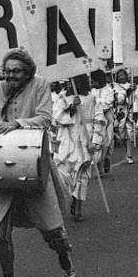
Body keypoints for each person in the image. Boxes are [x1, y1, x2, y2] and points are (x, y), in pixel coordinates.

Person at [0, 49, 76, 277]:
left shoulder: (40, 85)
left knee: (52, 230)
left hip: (34, 165)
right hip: (1, 167)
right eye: (7, 71)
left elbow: (45, 119)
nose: (11, 76)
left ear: (27, 71)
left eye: (16, 71)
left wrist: (17, 124)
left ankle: (65, 261)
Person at [52, 74, 104, 222]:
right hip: (66, 139)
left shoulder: (91, 98)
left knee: (83, 174)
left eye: (74, 81)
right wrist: (71, 108)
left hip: (84, 138)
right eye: (69, 81)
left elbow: (99, 119)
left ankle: (78, 206)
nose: (71, 84)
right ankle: (73, 197)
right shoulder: (62, 97)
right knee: (64, 172)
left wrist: (96, 141)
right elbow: (55, 117)